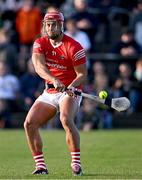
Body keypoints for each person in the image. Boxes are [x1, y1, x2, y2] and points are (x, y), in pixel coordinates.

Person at [24, 11, 87, 176]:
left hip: (71, 91)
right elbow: (39, 67)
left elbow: (82, 75)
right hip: (50, 91)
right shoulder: (40, 43)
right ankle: (41, 167)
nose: (50, 28)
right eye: (47, 24)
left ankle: (76, 162)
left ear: (61, 26)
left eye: (53, 24)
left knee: (65, 118)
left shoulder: (74, 47)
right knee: (29, 123)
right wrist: (54, 80)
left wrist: (71, 86)